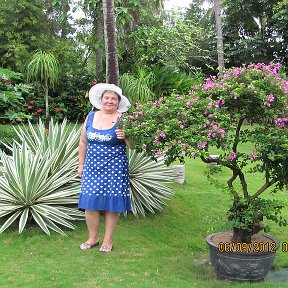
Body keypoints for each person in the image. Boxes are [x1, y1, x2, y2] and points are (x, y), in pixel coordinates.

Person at [78, 83, 133, 253]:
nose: (110, 101)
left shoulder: (124, 118)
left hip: (115, 167)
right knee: (90, 204)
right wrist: (81, 164)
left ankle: (107, 241)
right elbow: (83, 142)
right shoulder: (91, 116)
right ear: (101, 100)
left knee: (111, 205)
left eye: (113, 99)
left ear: (118, 102)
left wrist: (126, 136)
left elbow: (132, 146)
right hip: (92, 167)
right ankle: (93, 238)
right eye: (107, 98)